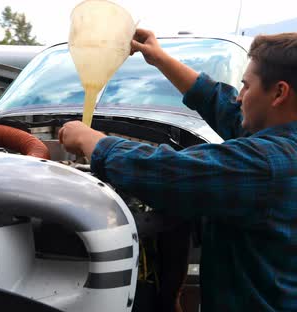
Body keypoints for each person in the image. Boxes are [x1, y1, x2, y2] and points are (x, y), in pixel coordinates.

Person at [59, 28, 297, 311]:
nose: (239, 96)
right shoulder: (280, 143)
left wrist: (93, 141)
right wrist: (159, 58)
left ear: (279, 93)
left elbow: (171, 172)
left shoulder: (268, 164)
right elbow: (221, 105)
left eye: (246, 86)